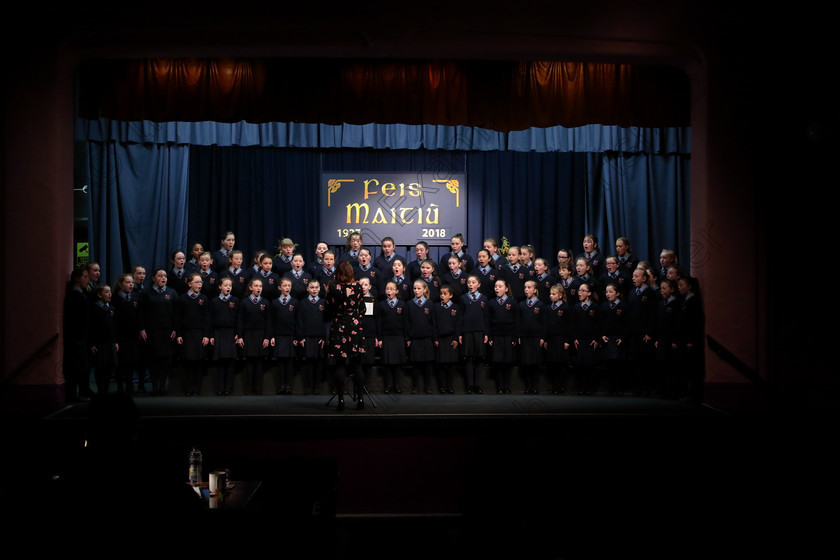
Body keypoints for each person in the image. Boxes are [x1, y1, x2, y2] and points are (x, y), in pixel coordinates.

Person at [324, 261, 367, 410]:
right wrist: (354, 318)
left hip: (339, 328)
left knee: (340, 364)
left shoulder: (333, 288)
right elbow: (362, 309)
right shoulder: (357, 287)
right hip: (354, 327)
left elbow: (327, 311)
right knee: (357, 364)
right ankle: (361, 400)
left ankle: (341, 401)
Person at [138, 269, 178, 395]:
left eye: (165, 276)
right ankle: (155, 386)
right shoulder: (146, 293)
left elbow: (177, 313)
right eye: (160, 275)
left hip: (167, 332)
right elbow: (140, 313)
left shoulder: (172, 292)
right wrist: (142, 329)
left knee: (165, 360)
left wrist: (175, 329)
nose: (163, 278)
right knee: (154, 360)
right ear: (154, 278)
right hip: (152, 332)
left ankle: (162, 386)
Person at [175, 273, 211, 396]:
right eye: (197, 282)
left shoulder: (204, 299)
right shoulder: (182, 299)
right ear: (190, 283)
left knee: (199, 362)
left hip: (200, 333)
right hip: (187, 333)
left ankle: (197, 388)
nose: (199, 285)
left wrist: (206, 335)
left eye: (201, 282)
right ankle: (189, 388)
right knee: (189, 361)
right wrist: (179, 334)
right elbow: (178, 318)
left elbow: (207, 318)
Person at [627, 267, 658, 396]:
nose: (633, 278)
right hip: (633, 334)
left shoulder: (650, 293)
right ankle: (637, 388)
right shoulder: (632, 293)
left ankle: (647, 387)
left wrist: (649, 332)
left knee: (645, 362)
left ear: (644, 278)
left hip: (644, 334)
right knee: (635, 362)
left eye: (636, 276)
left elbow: (653, 315)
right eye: (633, 276)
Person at [63, 267, 94, 401]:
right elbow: (74, 318)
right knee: (75, 366)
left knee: (83, 366)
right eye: (85, 277)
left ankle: (84, 389)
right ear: (77, 279)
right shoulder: (73, 295)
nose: (88, 279)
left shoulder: (83, 294)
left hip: (83, 336)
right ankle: (72, 393)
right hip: (76, 337)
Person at [236, 277, 271, 395]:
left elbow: (268, 321)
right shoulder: (244, 302)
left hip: (261, 334)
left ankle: (258, 389)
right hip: (248, 334)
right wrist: (240, 336)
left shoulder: (265, 302)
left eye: (260, 286)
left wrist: (267, 337)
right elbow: (240, 320)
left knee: (259, 362)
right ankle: (248, 389)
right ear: (250, 287)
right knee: (249, 362)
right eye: (256, 286)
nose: (258, 288)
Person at [487, 278, 520, 394]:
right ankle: (499, 387)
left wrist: (515, 337)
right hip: (496, 336)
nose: (497, 288)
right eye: (496, 286)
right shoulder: (491, 303)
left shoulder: (512, 302)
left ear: (506, 289)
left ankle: (507, 386)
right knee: (498, 362)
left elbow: (517, 321)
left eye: (500, 286)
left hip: (509, 336)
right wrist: (490, 337)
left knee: (507, 362)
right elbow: (488, 321)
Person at [296, 279, 327, 394]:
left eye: (317, 287)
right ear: (307, 289)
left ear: (320, 289)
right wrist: (301, 337)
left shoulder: (323, 302)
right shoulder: (303, 303)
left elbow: (326, 321)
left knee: (319, 363)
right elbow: (299, 320)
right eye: (312, 287)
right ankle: (308, 387)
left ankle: (317, 386)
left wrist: (324, 337)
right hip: (307, 338)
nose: (314, 289)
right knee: (309, 363)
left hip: (320, 338)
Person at [209, 276, 239, 396]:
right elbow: (210, 320)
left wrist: (238, 333)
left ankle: (228, 388)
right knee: (221, 362)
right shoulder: (214, 301)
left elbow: (238, 319)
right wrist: (211, 335)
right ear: (220, 286)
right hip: (218, 333)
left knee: (230, 362)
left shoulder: (235, 300)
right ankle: (220, 387)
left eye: (230, 286)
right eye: (226, 285)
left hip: (231, 333)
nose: (228, 287)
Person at [678, 275, 705, 404]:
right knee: (688, 368)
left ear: (689, 286)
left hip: (691, 341)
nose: (679, 287)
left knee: (693, 369)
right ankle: (690, 394)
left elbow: (694, 323)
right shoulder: (686, 300)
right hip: (686, 339)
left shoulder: (693, 301)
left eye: (681, 285)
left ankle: (695, 395)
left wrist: (690, 340)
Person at [460, 275, 489, 394]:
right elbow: (460, 317)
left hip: (480, 332)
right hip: (467, 332)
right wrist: (460, 334)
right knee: (469, 359)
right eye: (469, 282)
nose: (470, 284)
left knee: (479, 358)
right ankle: (470, 385)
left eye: (473, 282)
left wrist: (486, 333)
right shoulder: (463, 298)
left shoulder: (484, 299)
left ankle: (478, 385)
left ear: (479, 284)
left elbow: (486, 317)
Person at [600, 282, 630, 396]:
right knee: (609, 366)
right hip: (608, 339)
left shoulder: (623, 306)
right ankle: (610, 388)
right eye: (606, 292)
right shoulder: (604, 306)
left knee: (619, 366)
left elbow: (627, 324)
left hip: (618, 339)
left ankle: (619, 388)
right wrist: (602, 335)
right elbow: (600, 323)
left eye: (611, 292)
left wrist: (623, 337)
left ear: (617, 293)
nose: (608, 294)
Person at [406, 279, 436, 394]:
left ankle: (428, 386)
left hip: (427, 339)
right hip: (415, 339)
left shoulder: (430, 304)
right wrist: (408, 338)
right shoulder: (409, 304)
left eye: (419, 288)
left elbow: (433, 323)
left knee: (428, 365)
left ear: (424, 290)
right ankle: (415, 387)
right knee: (416, 365)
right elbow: (407, 323)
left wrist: (434, 338)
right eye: (414, 288)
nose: (416, 290)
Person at [113, 273, 141, 394]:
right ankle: (120, 387)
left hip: (133, 336)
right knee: (121, 363)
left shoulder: (135, 297)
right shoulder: (114, 299)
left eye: (132, 282)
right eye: (128, 282)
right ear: (120, 284)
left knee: (131, 362)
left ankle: (130, 386)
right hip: (120, 336)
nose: (131, 285)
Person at [571, 282, 601, 395]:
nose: (579, 292)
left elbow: (598, 324)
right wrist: (574, 338)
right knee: (581, 365)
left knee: (590, 365)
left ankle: (590, 388)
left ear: (589, 293)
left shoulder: (595, 307)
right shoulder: (576, 307)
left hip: (590, 340)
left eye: (582, 290)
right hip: (580, 340)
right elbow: (573, 324)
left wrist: (596, 338)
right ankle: (582, 387)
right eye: (579, 290)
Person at [654, 278, 682, 399]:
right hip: (661, 339)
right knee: (661, 365)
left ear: (672, 289)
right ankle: (663, 390)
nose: (661, 291)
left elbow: (678, 324)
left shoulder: (676, 304)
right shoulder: (661, 304)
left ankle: (673, 392)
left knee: (672, 366)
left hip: (671, 339)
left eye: (664, 288)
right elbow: (657, 322)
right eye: (661, 288)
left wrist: (675, 340)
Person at [270, 277, 298, 395]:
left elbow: (298, 321)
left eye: (289, 286)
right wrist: (271, 336)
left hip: (291, 336)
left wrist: (297, 336)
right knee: (281, 362)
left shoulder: (295, 302)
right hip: (279, 335)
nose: (287, 288)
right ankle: (281, 385)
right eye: (285, 285)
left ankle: (289, 386)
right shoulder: (275, 303)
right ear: (279, 287)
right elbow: (271, 321)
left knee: (290, 363)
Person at [517, 280, 546, 394]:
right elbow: (519, 322)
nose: (526, 289)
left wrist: (542, 337)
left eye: (529, 287)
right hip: (525, 337)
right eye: (525, 287)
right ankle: (528, 386)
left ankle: (535, 386)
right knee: (526, 363)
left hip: (536, 337)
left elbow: (544, 323)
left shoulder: (540, 305)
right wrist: (519, 335)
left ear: (535, 290)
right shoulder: (522, 305)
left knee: (535, 363)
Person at [379, 280, 407, 394]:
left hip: (398, 336)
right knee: (387, 364)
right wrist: (380, 338)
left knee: (398, 364)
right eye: (387, 289)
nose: (389, 291)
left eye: (391, 289)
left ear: (396, 291)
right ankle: (388, 386)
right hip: (386, 337)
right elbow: (379, 323)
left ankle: (398, 386)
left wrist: (406, 338)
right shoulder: (382, 304)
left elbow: (405, 323)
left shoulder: (402, 304)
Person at [89, 284, 118, 394]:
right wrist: (92, 343)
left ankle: (106, 389)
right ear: (99, 294)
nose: (109, 294)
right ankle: (100, 389)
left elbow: (114, 327)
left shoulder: (111, 308)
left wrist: (115, 341)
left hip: (110, 342)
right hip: (100, 343)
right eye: (106, 292)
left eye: (110, 292)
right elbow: (91, 327)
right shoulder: (95, 308)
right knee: (100, 367)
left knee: (109, 367)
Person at [544, 284, 572, 394]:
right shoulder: (548, 308)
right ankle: (554, 386)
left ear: (560, 296)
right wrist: (545, 339)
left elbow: (568, 325)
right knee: (552, 364)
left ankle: (561, 386)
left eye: (554, 294)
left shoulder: (565, 308)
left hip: (561, 339)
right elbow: (545, 325)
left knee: (561, 364)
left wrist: (566, 340)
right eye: (550, 294)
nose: (551, 296)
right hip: (551, 339)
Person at [433, 284, 461, 394]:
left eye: (445, 294)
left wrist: (455, 339)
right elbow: (434, 323)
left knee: (451, 365)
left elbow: (458, 324)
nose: (442, 296)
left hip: (451, 340)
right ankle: (442, 387)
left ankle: (449, 386)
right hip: (440, 339)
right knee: (441, 365)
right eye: (441, 294)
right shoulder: (436, 307)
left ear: (451, 295)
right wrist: (435, 338)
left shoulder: (455, 308)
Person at [357, 277, 381, 394]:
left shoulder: (374, 300)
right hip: (358, 334)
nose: (363, 287)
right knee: (359, 361)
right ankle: (359, 386)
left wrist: (377, 336)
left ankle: (367, 385)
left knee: (369, 361)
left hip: (370, 334)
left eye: (366, 285)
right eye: (361, 285)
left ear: (369, 287)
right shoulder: (355, 300)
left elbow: (377, 319)